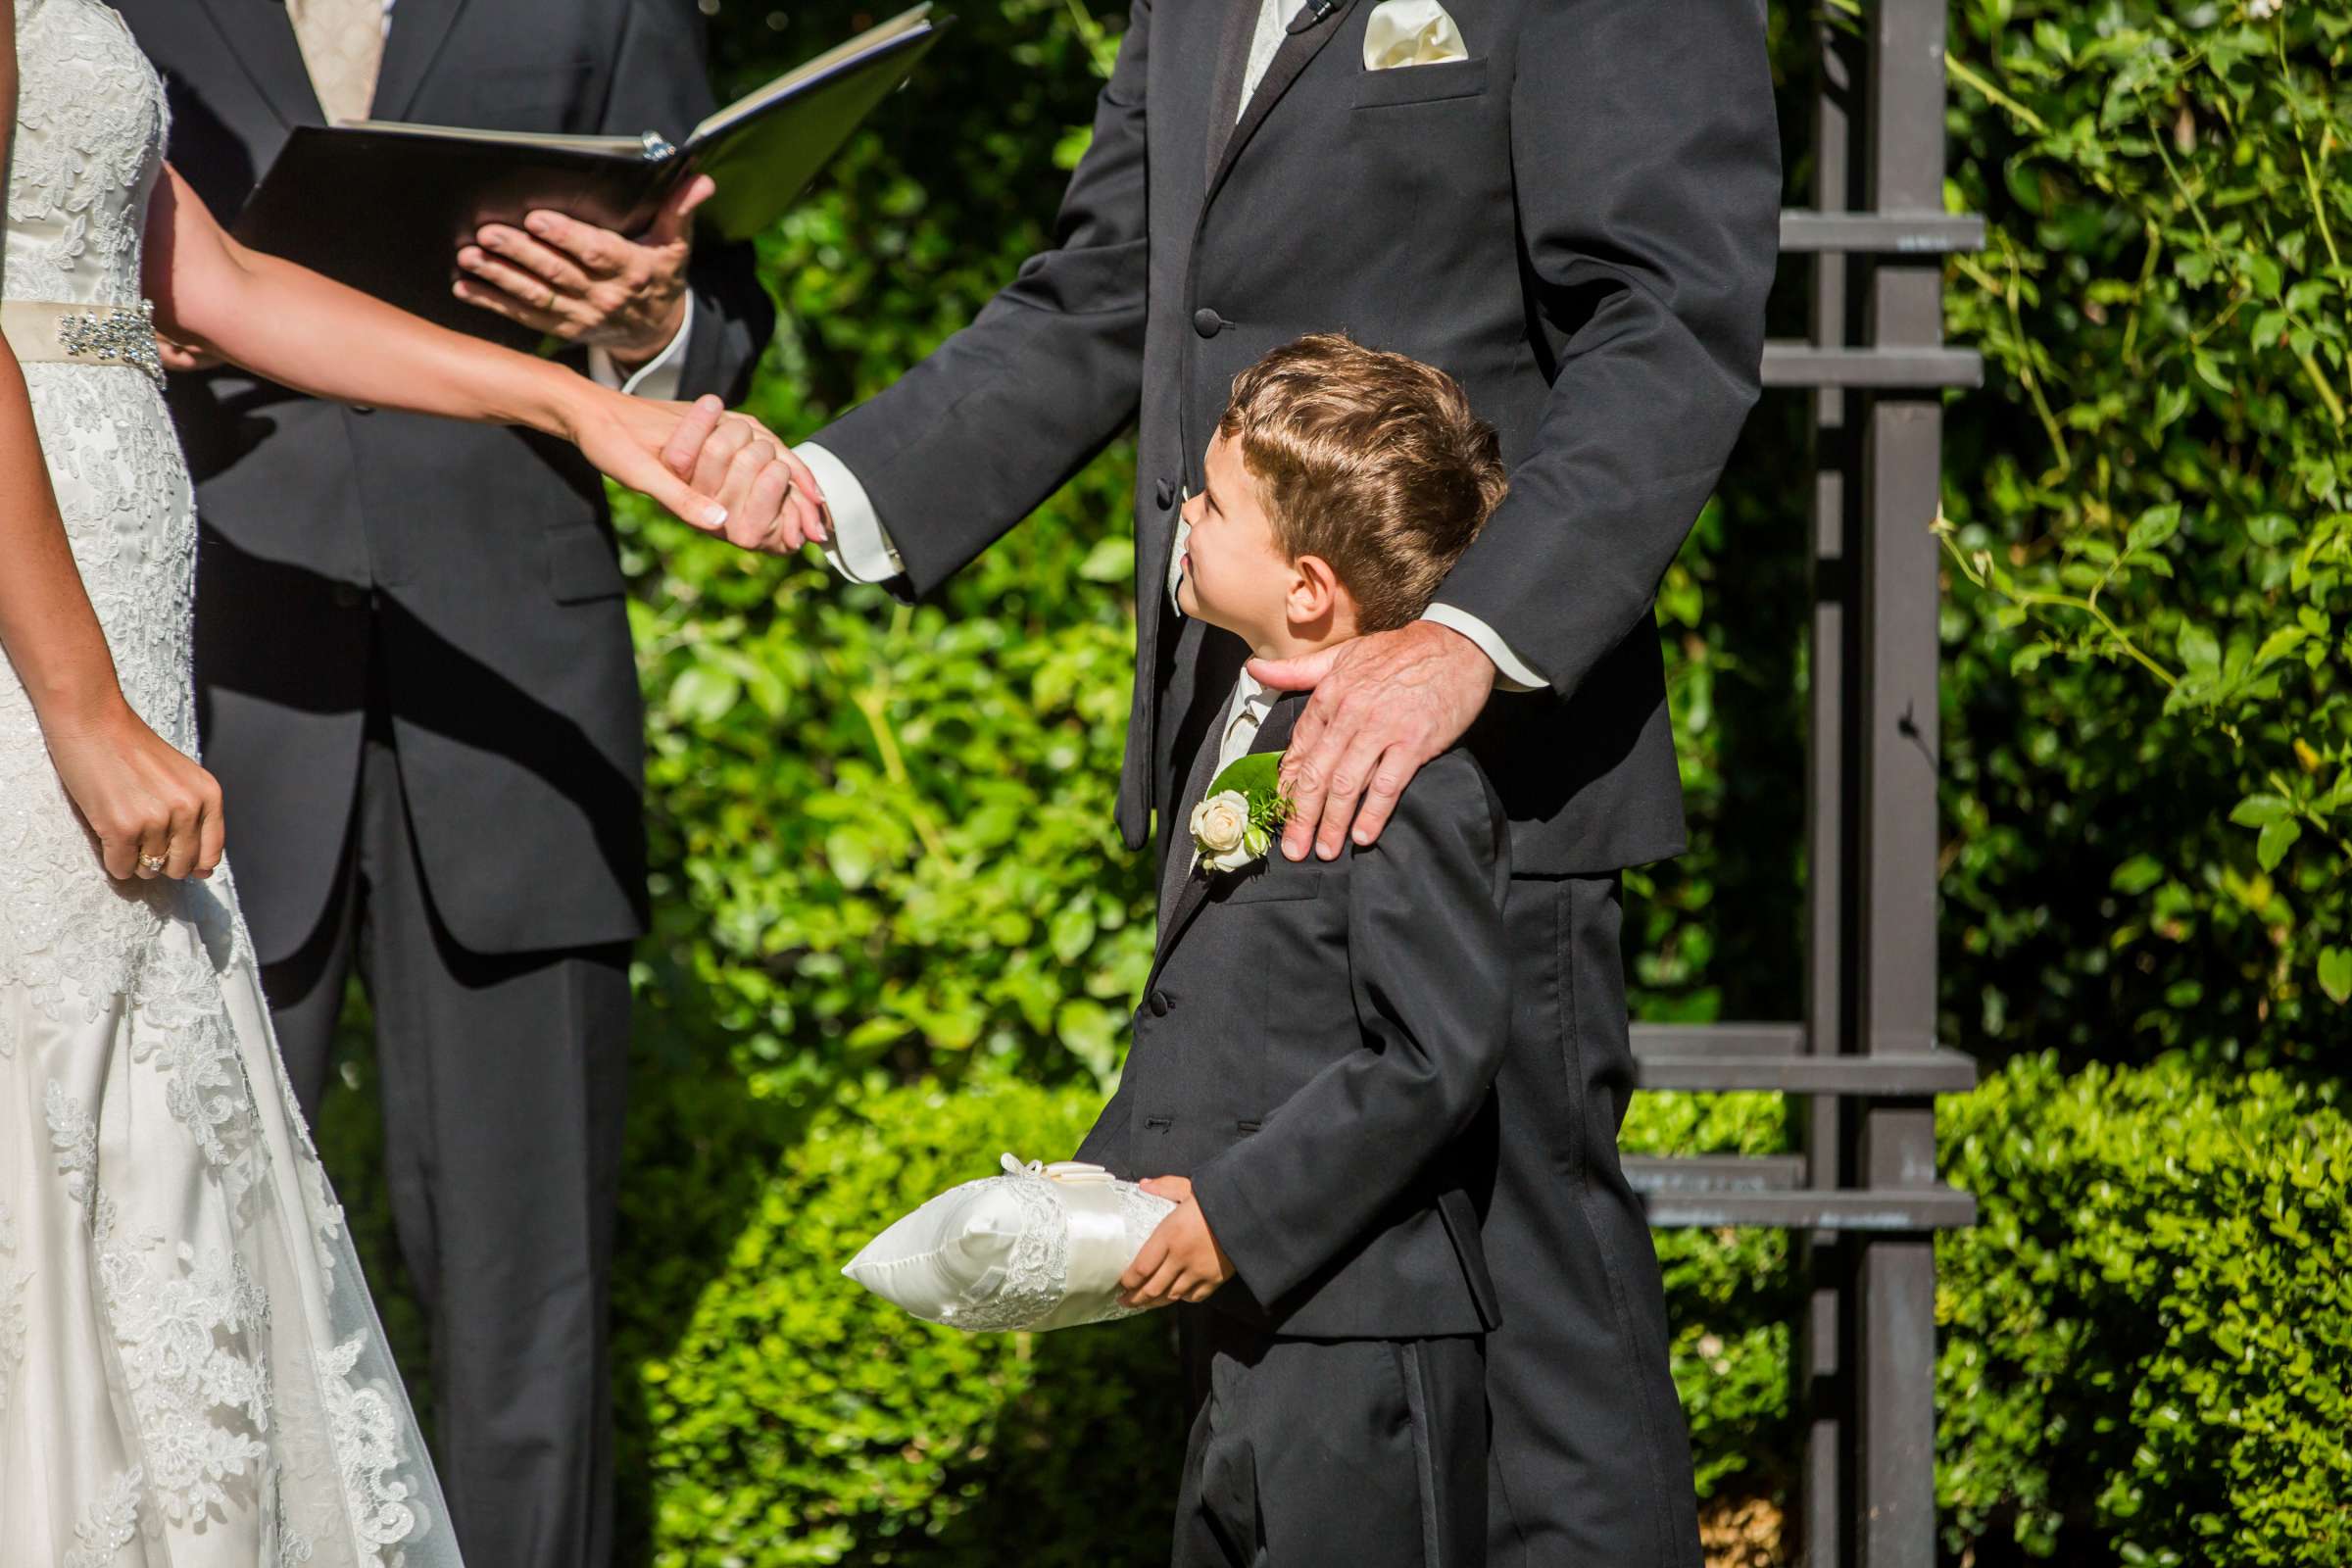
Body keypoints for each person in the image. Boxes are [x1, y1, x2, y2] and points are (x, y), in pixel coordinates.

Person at [691, 0, 1780, 1559]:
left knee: (1544, 1364)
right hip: (1252, 754)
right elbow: (1112, 287)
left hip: (1485, 761)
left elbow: (1671, 308)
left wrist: (1470, 635)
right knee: (1294, 1348)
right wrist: (834, 484)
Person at [0, 0, 789, 1559]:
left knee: (173, 1212)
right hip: (56, 633)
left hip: (137, 599)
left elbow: (212, 279)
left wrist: (573, 399)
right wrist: (82, 709)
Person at [1077, 334, 1511, 1568]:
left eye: (1213, 504)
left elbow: (1430, 1056)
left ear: (1310, 585)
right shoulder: (1238, 720)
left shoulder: (1407, 776)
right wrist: (1092, 1199)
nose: (1188, 517)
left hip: (1362, 1347)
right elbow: (1214, 1015)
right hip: (1238, 1334)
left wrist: (1238, 1214)